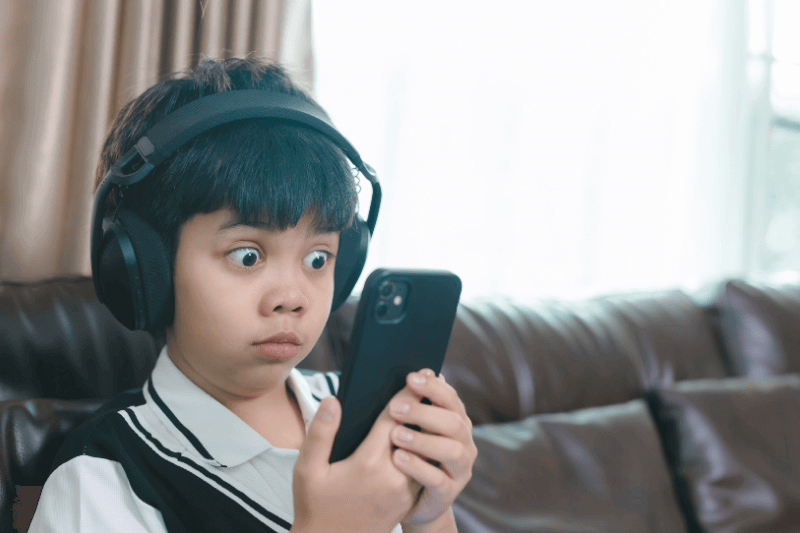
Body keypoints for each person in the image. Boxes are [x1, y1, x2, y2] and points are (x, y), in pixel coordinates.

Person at [27, 56, 477, 533]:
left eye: (318, 259)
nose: (293, 297)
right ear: (145, 270)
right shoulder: (102, 480)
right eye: (247, 256)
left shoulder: (366, 420)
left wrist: (430, 518)